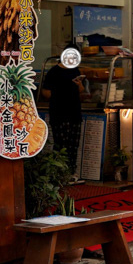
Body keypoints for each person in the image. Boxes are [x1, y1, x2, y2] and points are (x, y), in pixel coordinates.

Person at [41, 46, 89, 176]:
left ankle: (71, 173)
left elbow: (81, 90)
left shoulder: (75, 71)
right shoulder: (53, 72)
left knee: (74, 146)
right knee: (61, 145)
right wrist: (62, 92)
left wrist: (79, 85)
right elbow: (45, 93)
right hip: (59, 113)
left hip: (75, 113)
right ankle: (60, 175)